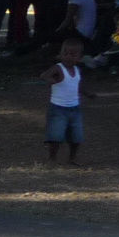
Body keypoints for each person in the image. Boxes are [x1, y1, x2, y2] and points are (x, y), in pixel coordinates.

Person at [43, 35, 87, 163]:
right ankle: (52, 157)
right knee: (55, 135)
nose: (68, 57)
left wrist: (87, 94)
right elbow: (44, 75)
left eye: (72, 54)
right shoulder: (58, 68)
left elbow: (78, 86)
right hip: (58, 108)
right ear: (60, 54)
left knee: (76, 136)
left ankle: (72, 158)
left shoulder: (77, 70)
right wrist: (51, 80)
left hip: (74, 108)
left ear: (79, 58)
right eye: (65, 53)